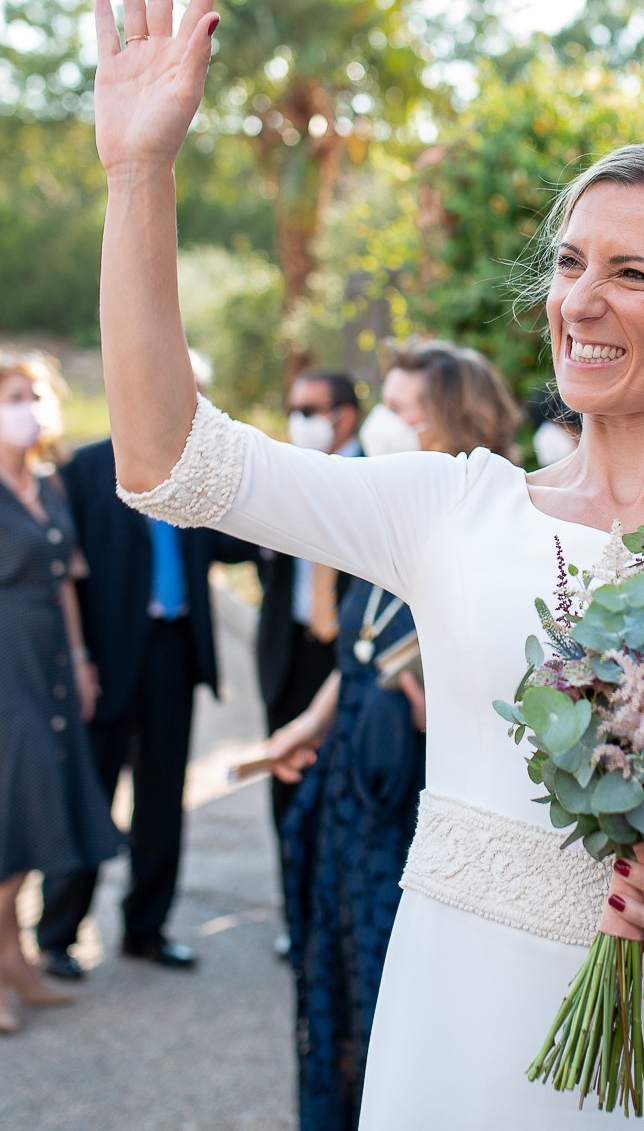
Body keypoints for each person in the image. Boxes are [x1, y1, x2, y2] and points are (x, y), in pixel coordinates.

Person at [89, 0, 644, 1130]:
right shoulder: (453, 508)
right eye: (570, 263)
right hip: (449, 1043)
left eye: (630, 273)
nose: (577, 301)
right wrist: (139, 173)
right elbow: (167, 460)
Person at [265, 341, 522, 1131]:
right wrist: (308, 724)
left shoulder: (494, 536)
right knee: (338, 977)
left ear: (451, 421)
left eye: (402, 410)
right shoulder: (400, 522)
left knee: (397, 995)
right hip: (350, 788)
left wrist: (453, 709)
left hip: (413, 802)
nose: (382, 422)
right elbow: (361, 650)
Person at [0, 351, 123, 1033]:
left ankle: (12, 958)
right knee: (12, 806)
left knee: (36, 808)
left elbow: (64, 582)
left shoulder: (49, 486)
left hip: (49, 669)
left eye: (35, 395)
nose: (27, 408)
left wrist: (81, 658)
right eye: (12, 396)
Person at [34, 410, 259, 979]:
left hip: (173, 650)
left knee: (161, 799)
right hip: (105, 659)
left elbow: (223, 539)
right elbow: (61, 568)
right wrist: (76, 659)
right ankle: (58, 934)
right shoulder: (85, 467)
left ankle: (146, 929)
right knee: (90, 792)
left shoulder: (194, 465)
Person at [253, 368, 362, 947]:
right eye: (293, 409)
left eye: (309, 410)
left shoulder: (375, 475)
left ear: (344, 415)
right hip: (290, 651)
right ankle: (295, 921)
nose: (298, 422)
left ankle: (336, 922)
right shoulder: (286, 473)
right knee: (287, 788)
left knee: (342, 794)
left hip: (348, 656)